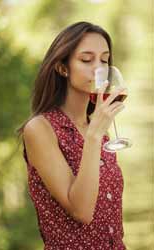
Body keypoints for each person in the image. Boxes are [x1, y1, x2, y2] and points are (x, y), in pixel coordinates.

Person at [17, 21, 127, 250]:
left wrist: (96, 131)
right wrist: (94, 137)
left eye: (104, 60)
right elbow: (82, 211)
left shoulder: (96, 128)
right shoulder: (40, 129)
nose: (99, 69)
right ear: (62, 67)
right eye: (87, 60)